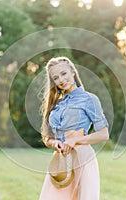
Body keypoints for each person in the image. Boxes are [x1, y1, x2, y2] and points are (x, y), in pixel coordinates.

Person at [39, 56, 109, 200]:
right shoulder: (55, 104)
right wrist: (53, 143)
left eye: (63, 73)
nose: (61, 80)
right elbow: (47, 137)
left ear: (72, 71)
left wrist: (75, 141)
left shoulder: (89, 99)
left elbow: (103, 134)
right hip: (60, 160)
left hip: (82, 157)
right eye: (56, 78)